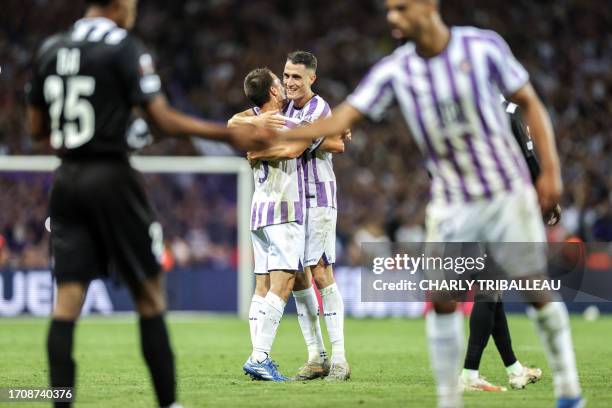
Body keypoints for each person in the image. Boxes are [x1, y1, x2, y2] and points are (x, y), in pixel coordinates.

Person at [266, 1, 583, 407]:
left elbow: (531, 102)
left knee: (533, 289)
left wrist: (550, 174)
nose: (392, 17)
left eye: (401, 8)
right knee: (442, 298)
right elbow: (343, 117)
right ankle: (450, 397)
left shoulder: (482, 47)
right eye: (389, 10)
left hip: (508, 193)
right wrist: (274, 138)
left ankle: (570, 392)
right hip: (451, 204)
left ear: (429, 5)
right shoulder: (394, 70)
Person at [25, 0, 263, 406]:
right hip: (113, 177)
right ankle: (168, 403)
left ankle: (59, 402)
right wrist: (225, 135)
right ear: (118, 5)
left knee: (66, 302)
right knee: (149, 295)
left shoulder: (50, 48)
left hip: (65, 180)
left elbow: (36, 129)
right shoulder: (123, 46)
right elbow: (163, 119)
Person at [230, 51, 350, 381]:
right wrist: (253, 122)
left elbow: (317, 145)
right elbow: (234, 121)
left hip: (317, 199)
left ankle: (338, 357)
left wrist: (256, 152)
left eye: (297, 77)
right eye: (286, 76)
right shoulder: (280, 110)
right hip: (289, 205)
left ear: (312, 78)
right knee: (296, 278)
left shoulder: (317, 109)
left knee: (320, 272)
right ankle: (316, 356)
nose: (290, 82)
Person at [235, 67, 306, 381]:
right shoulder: (288, 123)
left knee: (261, 286)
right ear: (275, 92)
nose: (285, 83)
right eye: (281, 81)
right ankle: (260, 356)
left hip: (258, 211)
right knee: (284, 282)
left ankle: (258, 355)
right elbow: (295, 148)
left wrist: (258, 152)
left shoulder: (251, 122)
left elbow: (233, 123)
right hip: (282, 210)